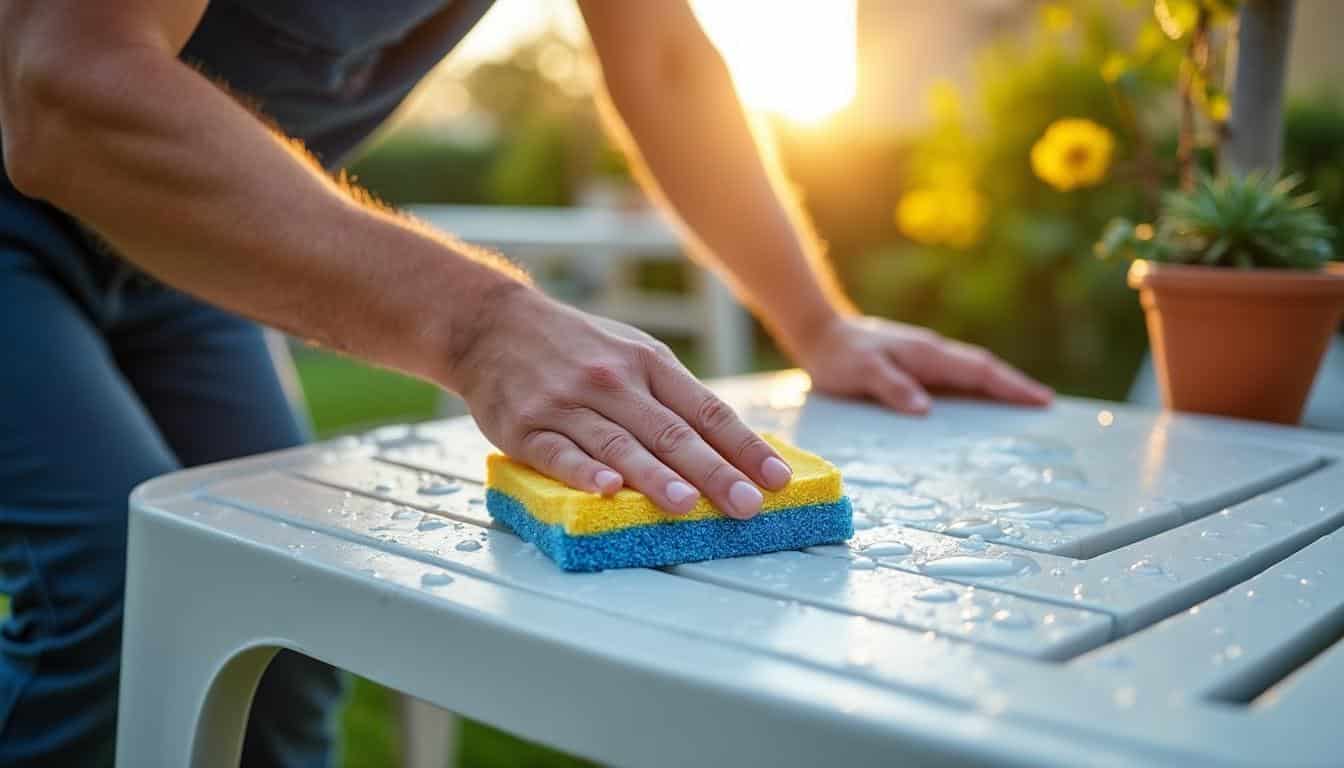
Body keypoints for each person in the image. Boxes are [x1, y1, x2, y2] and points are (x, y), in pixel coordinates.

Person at [0, 0, 1053, 764]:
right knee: (107, 588)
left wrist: (818, 322)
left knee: (275, 621)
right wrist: (477, 323)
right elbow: (66, 83)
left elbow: (667, 57)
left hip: (170, 259)